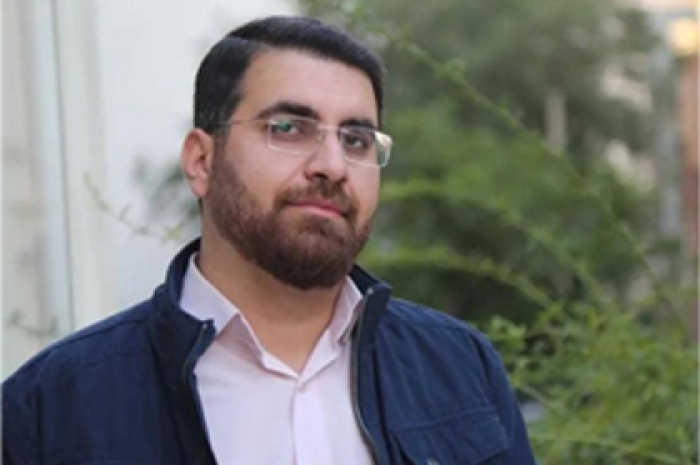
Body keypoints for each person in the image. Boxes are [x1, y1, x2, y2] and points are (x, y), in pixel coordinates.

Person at [3, 16, 537, 465]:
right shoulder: (51, 410)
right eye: (288, 128)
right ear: (202, 161)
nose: (332, 165)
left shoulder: (460, 369)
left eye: (356, 139)